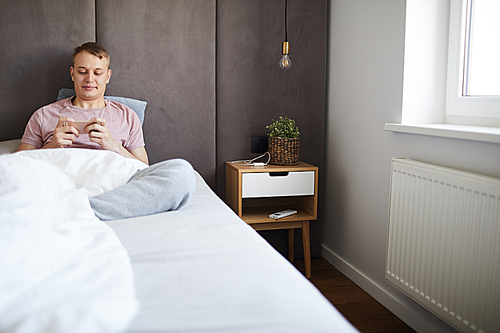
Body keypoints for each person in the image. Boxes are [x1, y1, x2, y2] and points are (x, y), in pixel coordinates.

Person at [17, 42, 196, 220]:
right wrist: (53, 145)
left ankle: (79, 210)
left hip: (113, 184)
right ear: (72, 74)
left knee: (182, 173)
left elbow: (143, 168)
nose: (89, 79)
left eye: (97, 72)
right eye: (82, 71)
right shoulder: (44, 114)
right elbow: (17, 166)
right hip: (60, 180)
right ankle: (89, 211)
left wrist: (112, 145)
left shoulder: (127, 116)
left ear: (108, 76)